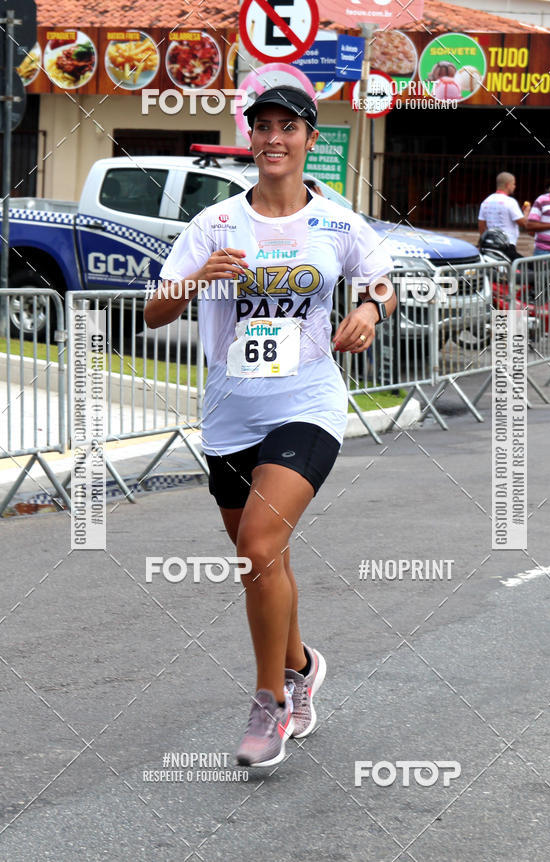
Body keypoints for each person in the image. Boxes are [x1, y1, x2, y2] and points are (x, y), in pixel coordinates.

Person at [144, 86, 396, 768]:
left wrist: (371, 313)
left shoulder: (338, 226)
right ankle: (305, 664)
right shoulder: (216, 223)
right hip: (230, 417)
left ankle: (271, 702)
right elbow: (153, 312)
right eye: (263, 127)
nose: (275, 138)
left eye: (289, 127)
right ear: (249, 139)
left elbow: (381, 279)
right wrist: (196, 279)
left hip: (308, 404)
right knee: (261, 559)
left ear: (311, 139)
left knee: (258, 542)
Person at [478, 171, 530, 260]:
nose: (514, 187)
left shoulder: (486, 201)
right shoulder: (510, 202)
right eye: (513, 184)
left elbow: (481, 226)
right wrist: (526, 213)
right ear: (508, 185)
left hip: (490, 244)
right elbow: (524, 223)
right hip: (507, 244)